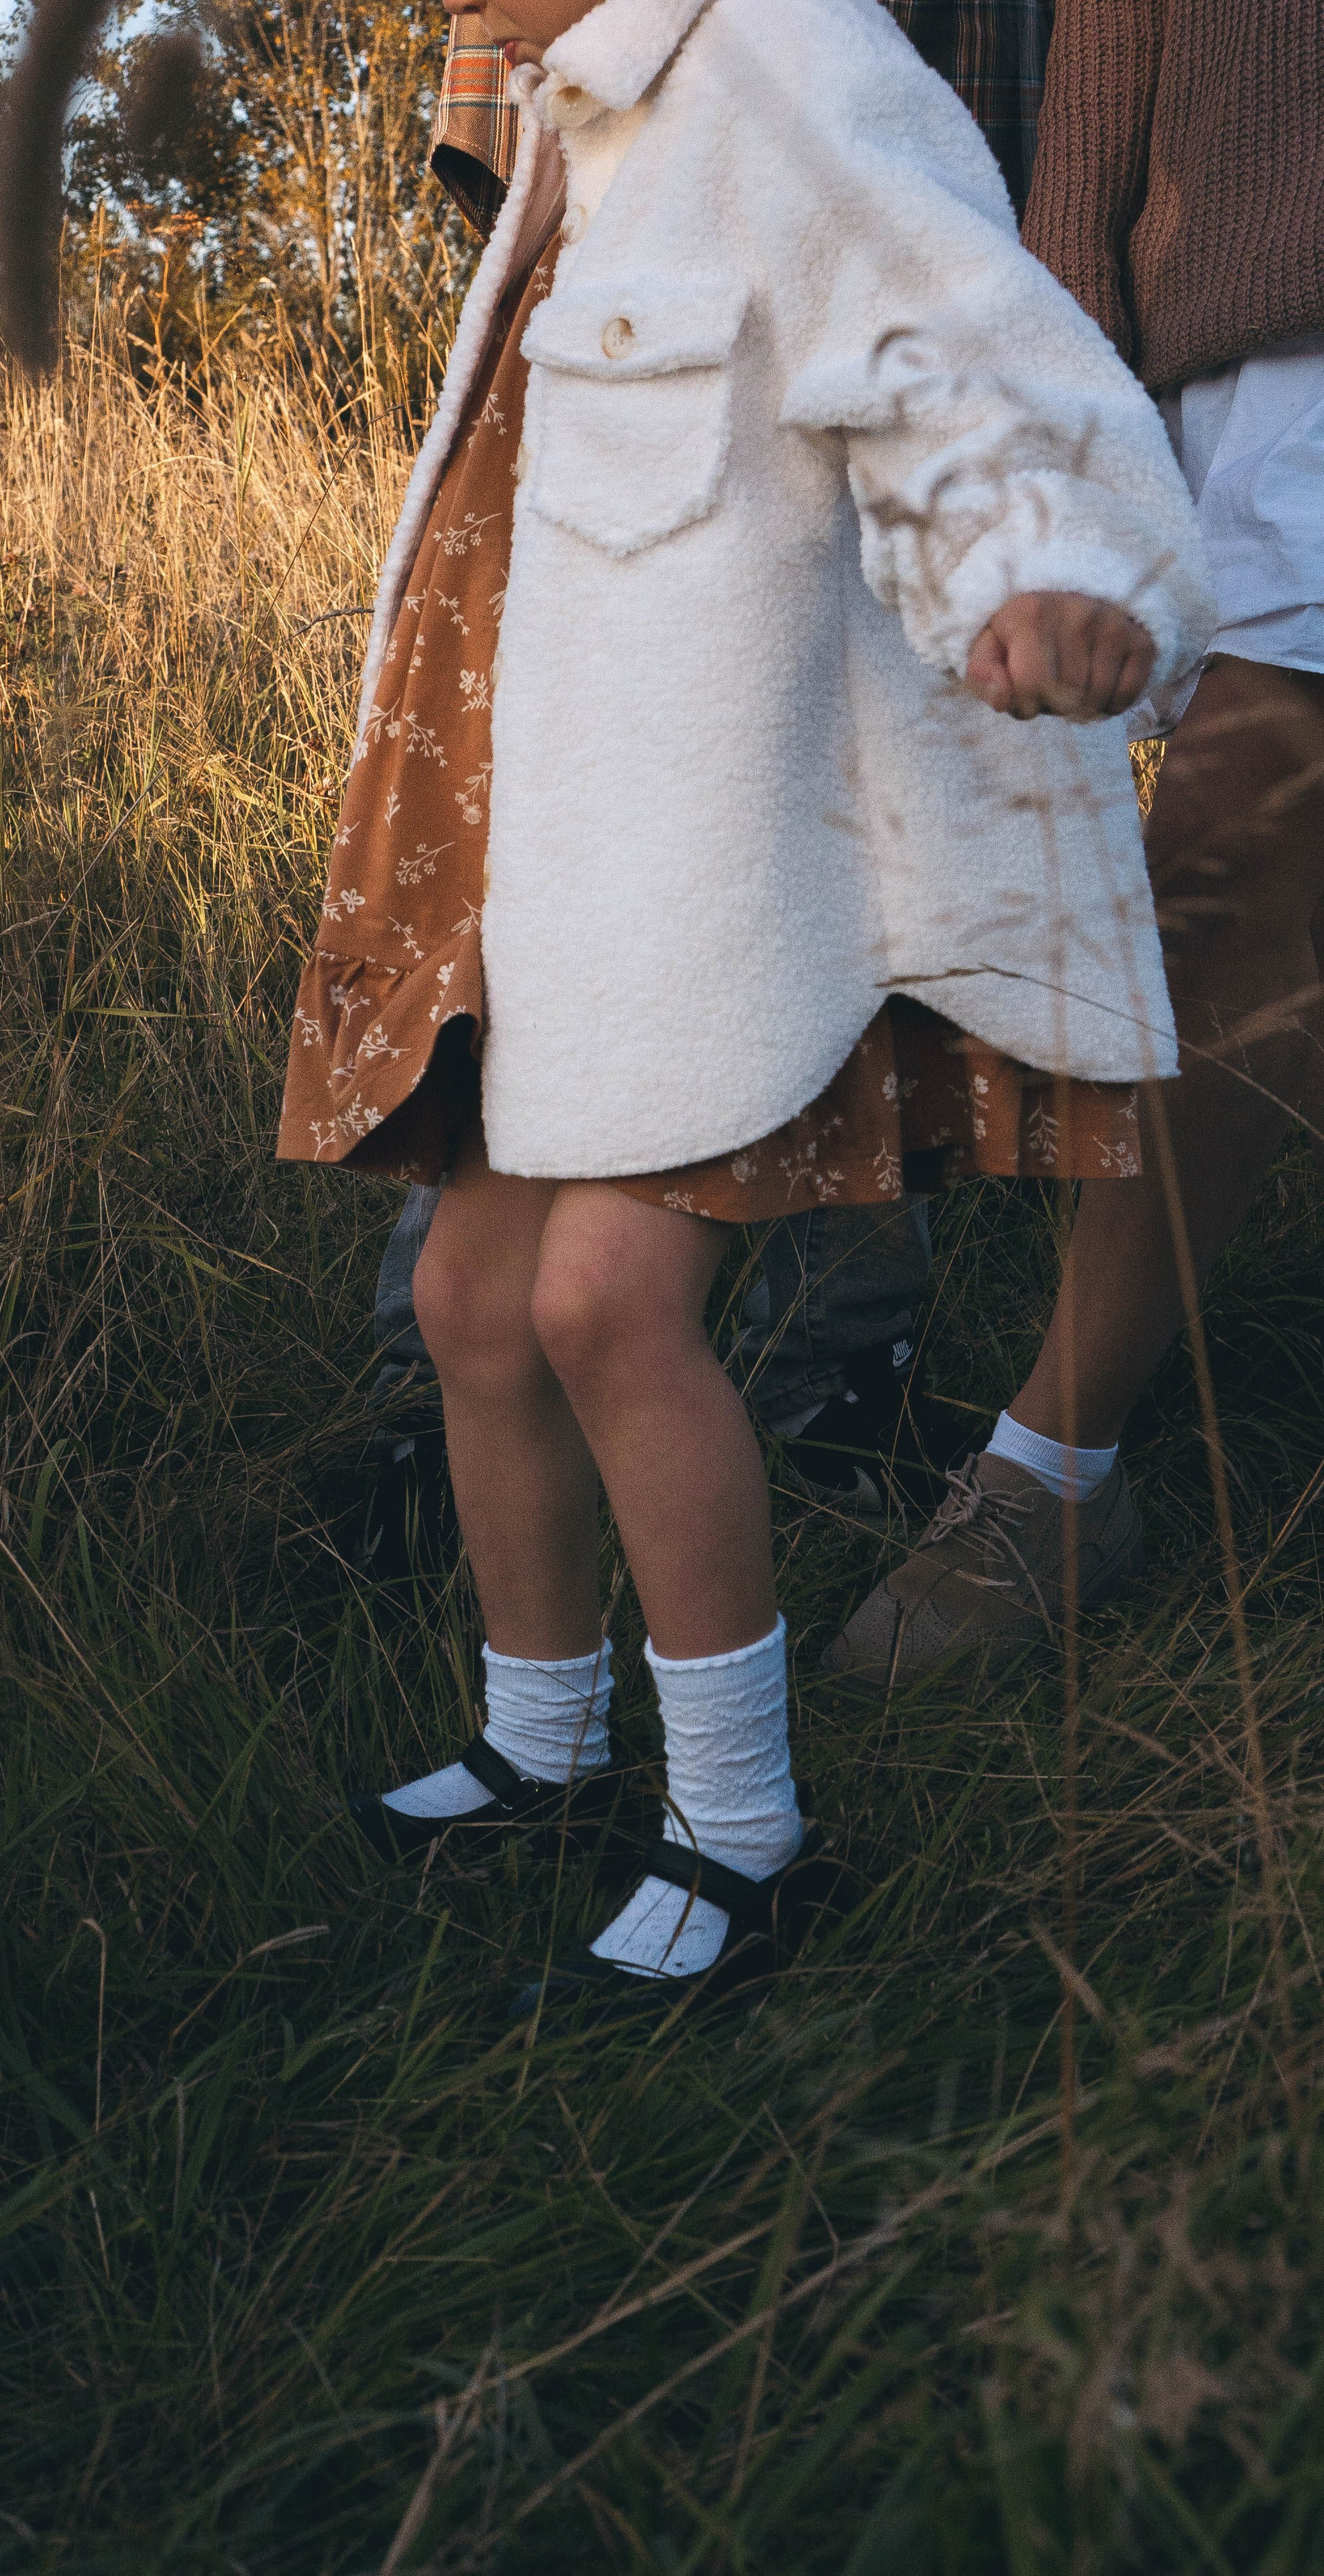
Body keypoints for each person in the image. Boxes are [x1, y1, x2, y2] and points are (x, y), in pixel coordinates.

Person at [279, 0, 1211, 2006]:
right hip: (545, 851)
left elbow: (978, 356)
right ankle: (542, 1753)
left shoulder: (797, 64)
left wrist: (1049, 568)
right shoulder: (567, 121)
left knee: (605, 1304)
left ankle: (747, 1835)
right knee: (466, 1301)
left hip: (722, 859)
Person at [357, 0, 1059, 1544]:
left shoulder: (825, 72)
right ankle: (469, 1405)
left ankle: (828, 1362)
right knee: (585, 873)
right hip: (641, 265)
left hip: (864, 261)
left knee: (820, 847)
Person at [830, 0, 1324, 1682]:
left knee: (1233, 855)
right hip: (1231, 350)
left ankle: (1048, 1468)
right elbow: (1116, 52)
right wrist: (1051, 394)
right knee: (1220, 890)